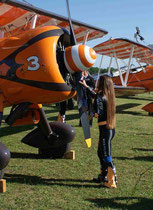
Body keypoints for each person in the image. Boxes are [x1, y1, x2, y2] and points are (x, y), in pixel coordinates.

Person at [79, 75, 117, 188]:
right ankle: (103, 176)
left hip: (105, 130)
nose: (96, 82)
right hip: (109, 129)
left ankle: (112, 181)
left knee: (106, 155)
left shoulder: (101, 96)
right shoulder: (108, 95)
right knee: (101, 153)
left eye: (99, 81)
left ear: (102, 83)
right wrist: (86, 87)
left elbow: (97, 113)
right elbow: (96, 96)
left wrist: (89, 112)